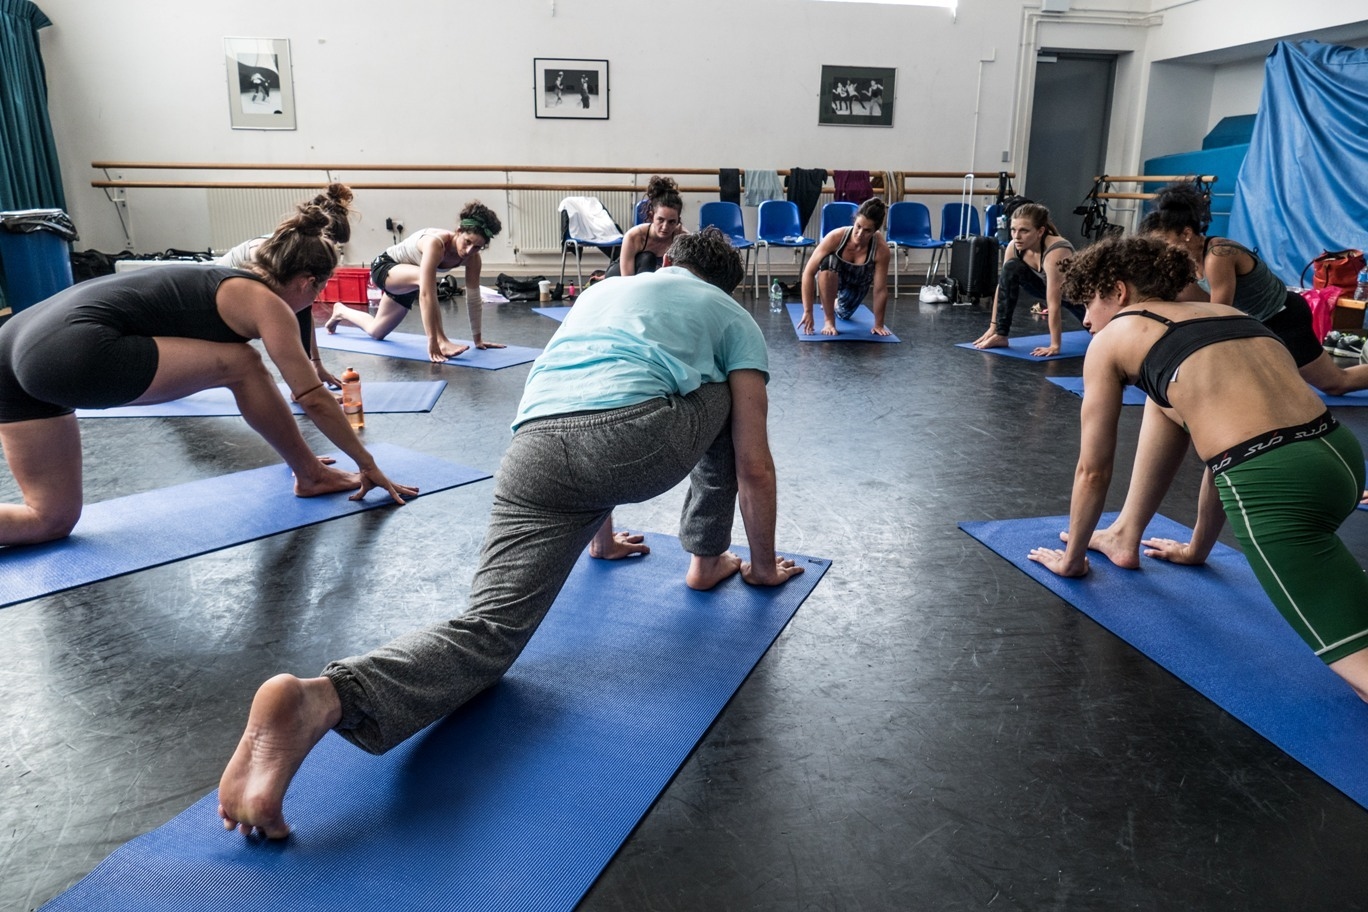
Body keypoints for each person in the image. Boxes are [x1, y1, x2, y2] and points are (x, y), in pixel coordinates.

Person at [218, 228, 806, 838]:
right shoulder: (732, 314)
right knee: (724, 394)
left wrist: (599, 541)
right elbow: (752, 463)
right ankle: (708, 559)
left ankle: (325, 697)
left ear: (669, 263)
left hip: (532, 448)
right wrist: (761, 566)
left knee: (489, 629)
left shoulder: (604, 293)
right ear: (722, 285)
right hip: (635, 442)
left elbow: (586, 391)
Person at [1028, 235, 1368, 701]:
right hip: (1342, 456)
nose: (1085, 318)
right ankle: (1129, 537)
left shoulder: (1111, 341)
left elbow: (1093, 470)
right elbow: (1221, 447)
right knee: (1168, 403)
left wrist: (1072, 560)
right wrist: (1196, 550)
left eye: (1089, 302)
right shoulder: (1231, 315)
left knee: (1360, 671)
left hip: (1277, 485)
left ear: (1119, 291)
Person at [0, 206, 418, 547]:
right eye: (318, 292)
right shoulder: (264, 301)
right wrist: (366, 463)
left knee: (49, 518)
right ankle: (309, 475)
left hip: (11, 347)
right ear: (308, 282)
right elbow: (309, 393)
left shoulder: (221, 280)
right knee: (243, 364)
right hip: (69, 351)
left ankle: (307, 469)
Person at [1141, 182, 1368, 396]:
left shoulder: (1218, 256)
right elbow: (1186, 301)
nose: (1160, 248)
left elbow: (1219, 315)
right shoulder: (1186, 262)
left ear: (1187, 233)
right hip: (1256, 323)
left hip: (1283, 318)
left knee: (1336, 383)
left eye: (1163, 239)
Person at [326, 201, 503, 363]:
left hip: (407, 281)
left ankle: (341, 311)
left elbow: (473, 297)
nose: (469, 250)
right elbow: (426, 294)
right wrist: (433, 341)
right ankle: (443, 341)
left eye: (478, 247)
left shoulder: (473, 259)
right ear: (458, 231)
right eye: (467, 242)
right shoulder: (436, 243)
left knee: (376, 331)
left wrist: (477, 338)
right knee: (424, 278)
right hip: (385, 267)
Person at [218, 183, 355, 388]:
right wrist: (305, 386)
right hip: (218, 290)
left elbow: (303, 310)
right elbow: (282, 326)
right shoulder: (276, 254)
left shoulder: (299, 254)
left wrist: (316, 365)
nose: (331, 249)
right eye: (331, 243)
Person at [972, 202, 1082, 357]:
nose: (1017, 236)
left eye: (1024, 231)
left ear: (1040, 231)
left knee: (1103, 334)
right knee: (1010, 268)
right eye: (1013, 230)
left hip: (1080, 298)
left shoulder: (1056, 251)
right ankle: (1002, 336)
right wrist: (994, 327)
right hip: (1045, 289)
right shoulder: (1014, 246)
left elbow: (1054, 303)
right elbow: (1002, 286)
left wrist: (1055, 345)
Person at [799, 197, 892, 337]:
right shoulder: (836, 237)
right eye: (858, 226)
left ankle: (835, 303)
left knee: (843, 313)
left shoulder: (881, 249)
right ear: (854, 221)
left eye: (867, 230)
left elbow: (880, 289)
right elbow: (808, 272)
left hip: (857, 284)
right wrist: (808, 311)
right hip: (835, 275)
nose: (860, 234)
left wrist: (879, 324)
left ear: (875, 231)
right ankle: (829, 320)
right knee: (828, 262)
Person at [603, 175, 688, 278]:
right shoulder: (634, 236)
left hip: (654, 280)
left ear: (678, 220)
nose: (665, 227)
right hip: (621, 276)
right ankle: (600, 279)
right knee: (648, 258)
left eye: (671, 222)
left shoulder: (683, 238)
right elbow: (627, 280)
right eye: (660, 220)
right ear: (652, 216)